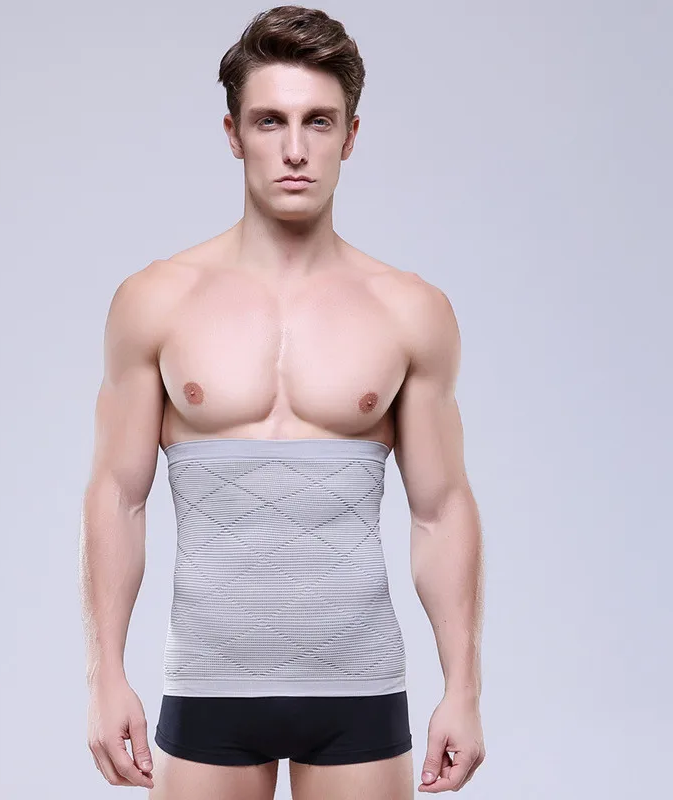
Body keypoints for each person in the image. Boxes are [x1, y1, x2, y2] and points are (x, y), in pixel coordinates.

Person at [78, 5, 485, 798]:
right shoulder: (156, 301)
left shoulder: (410, 310)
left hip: (360, 688)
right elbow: (117, 495)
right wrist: (105, 676)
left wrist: (463, 689)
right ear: (233, 133)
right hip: (207, 686)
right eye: (270, 121)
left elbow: (442, 509)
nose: (295, 149)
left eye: (317, 122)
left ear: (350, 136)